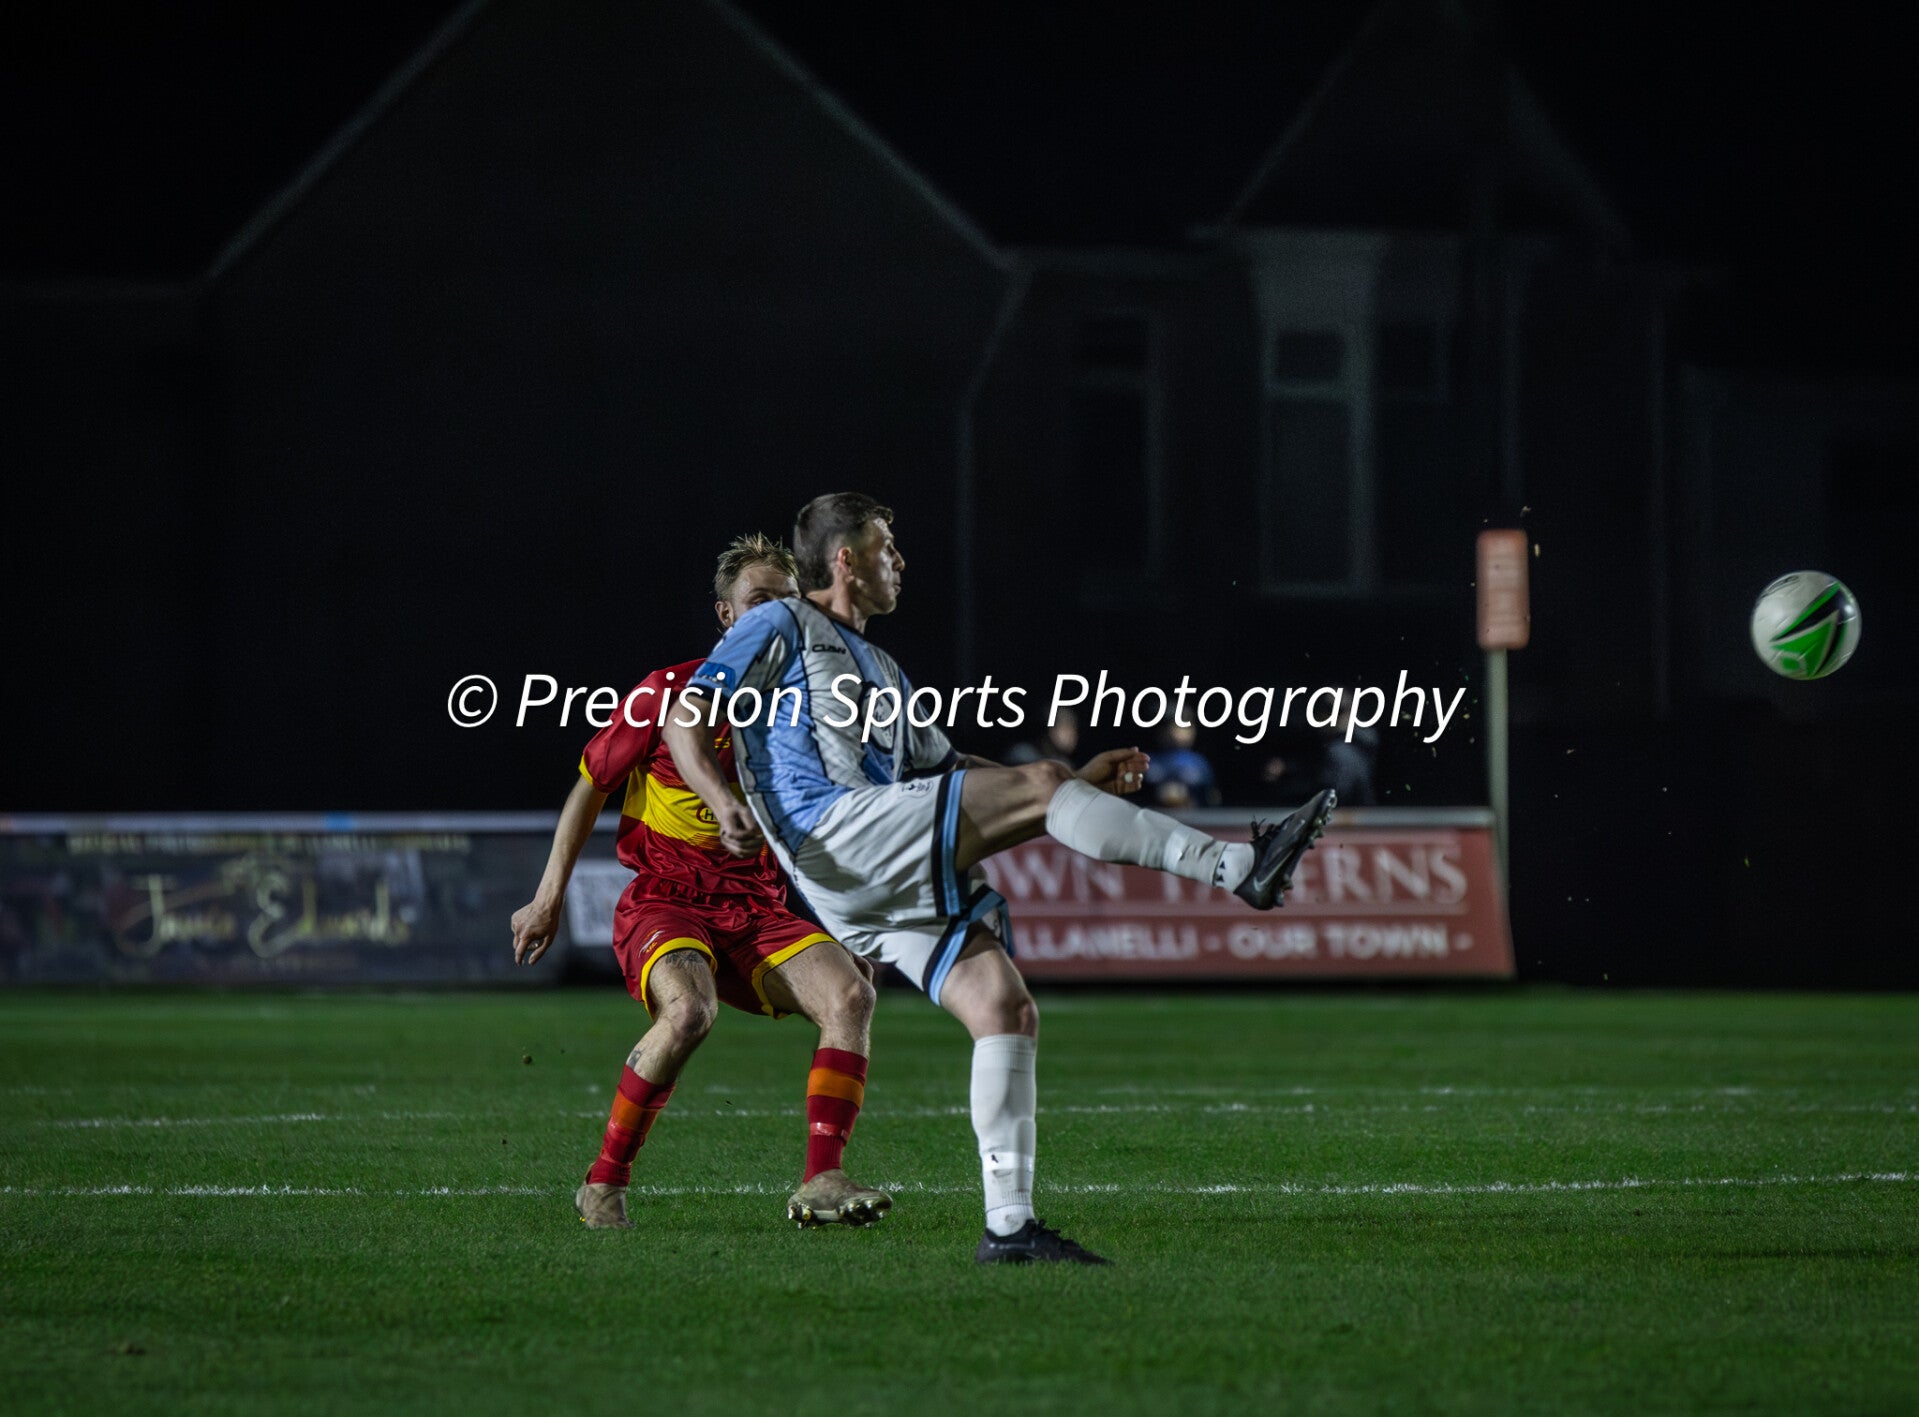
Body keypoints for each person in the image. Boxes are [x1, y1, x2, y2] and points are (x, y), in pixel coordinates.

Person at [664, 494, 1335, 1265]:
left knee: (1004, 1008)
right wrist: (721, 800)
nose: (899, 560)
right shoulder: (781, 620)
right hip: (834, 828)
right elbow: (687, 715)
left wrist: (1071, 783)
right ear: (844, 559)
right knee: (1039, 788)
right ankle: (1239, 867)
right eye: (885, 546)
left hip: (866, 878)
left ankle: (1009, 1228)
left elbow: (951, 769)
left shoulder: (882, 669)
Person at [510, 534, 890, 1232]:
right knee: (688, 1013)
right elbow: (590, 786)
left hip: (756, 907)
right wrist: (548, 895)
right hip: (667, 898)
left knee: (851, 993)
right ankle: (603, 1182)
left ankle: (822, 1178)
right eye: (757, 600)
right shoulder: (666, 691)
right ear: (725, 614)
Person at [1144, 721, 1220, 809]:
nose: (1179, 733)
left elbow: (1211, 793)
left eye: (1186, 728)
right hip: (1155, 811)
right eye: (1174, 728)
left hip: (1191, 812)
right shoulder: (1151, 760)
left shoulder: (1198, 762)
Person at [1004, 706, 1081, 768]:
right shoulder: (1022, 754)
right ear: (1051, 729)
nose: (1073, 736)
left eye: (1075, 730)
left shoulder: (1064, 763)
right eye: (1066, 729)